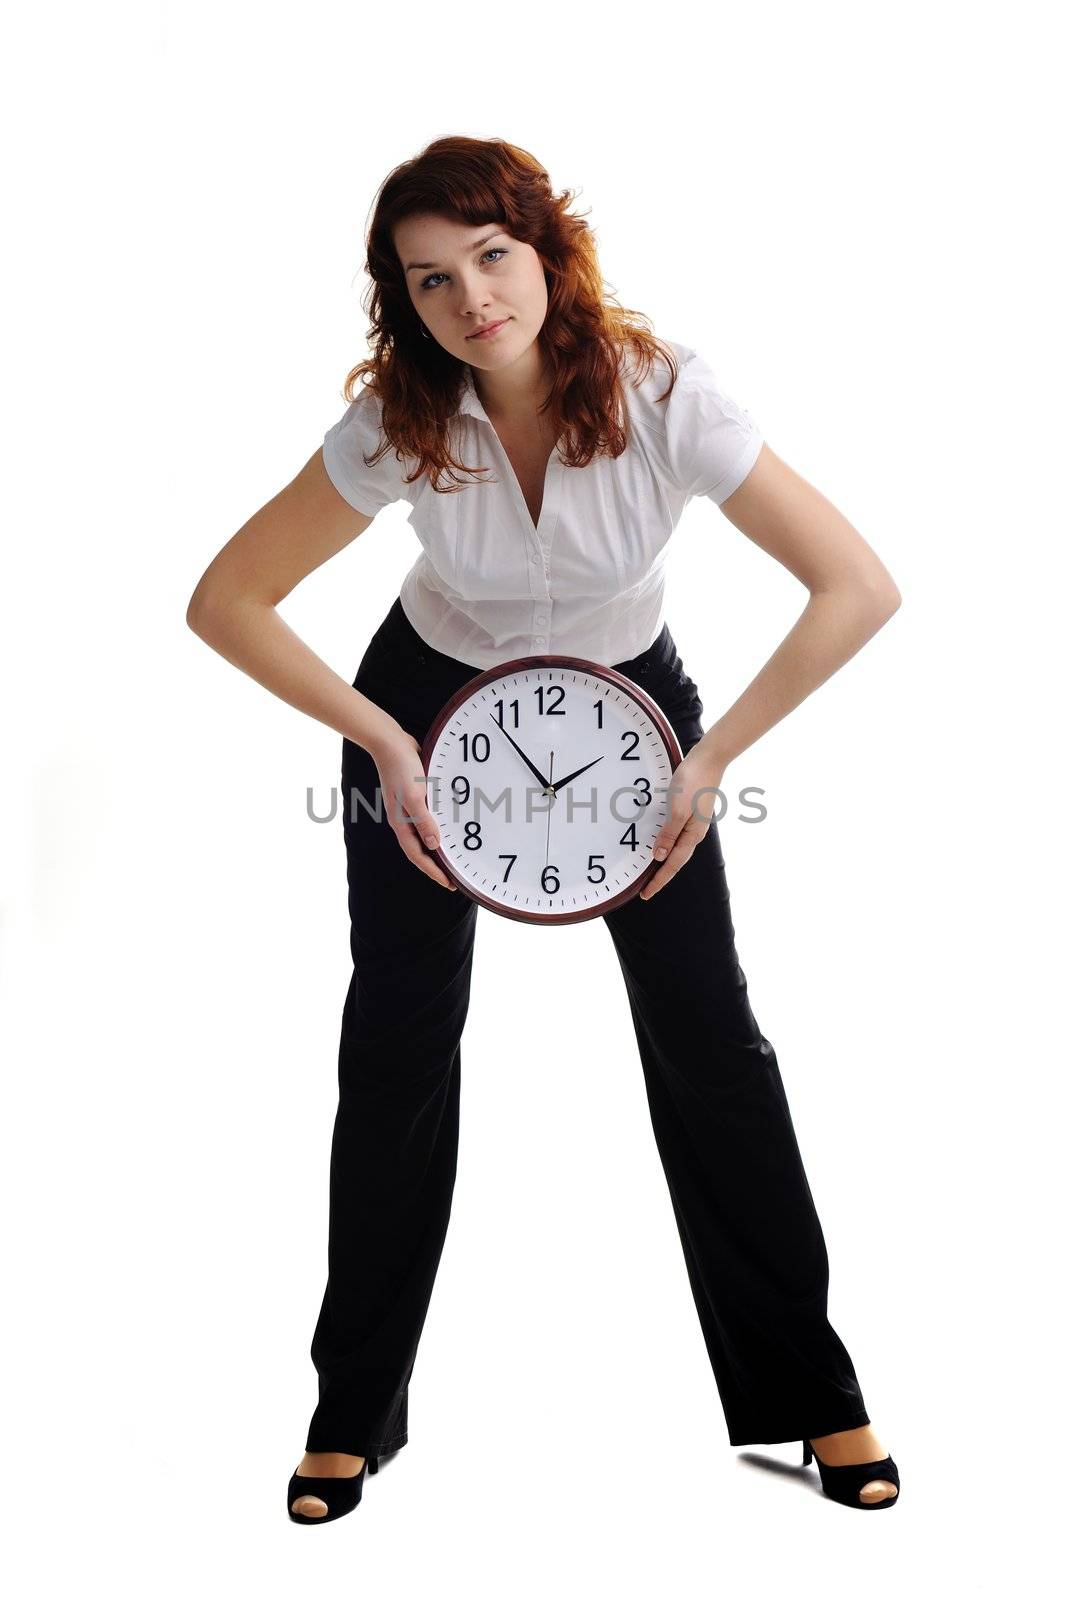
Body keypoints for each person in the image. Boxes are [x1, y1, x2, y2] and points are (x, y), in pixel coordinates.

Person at [187, 135, 903, 1522]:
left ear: (548, 251)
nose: (471, 299)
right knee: (397, 1033)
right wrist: (384, 739)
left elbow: (854, 586)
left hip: (627, 709)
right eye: (430, 279)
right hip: (427, 697)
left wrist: (710, 762)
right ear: (405, 301)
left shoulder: (663, 396)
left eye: (492, 257)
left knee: (708, 1033)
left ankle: (815, 1399)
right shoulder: (398, 419)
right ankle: (350, 1413)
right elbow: (227, 602)